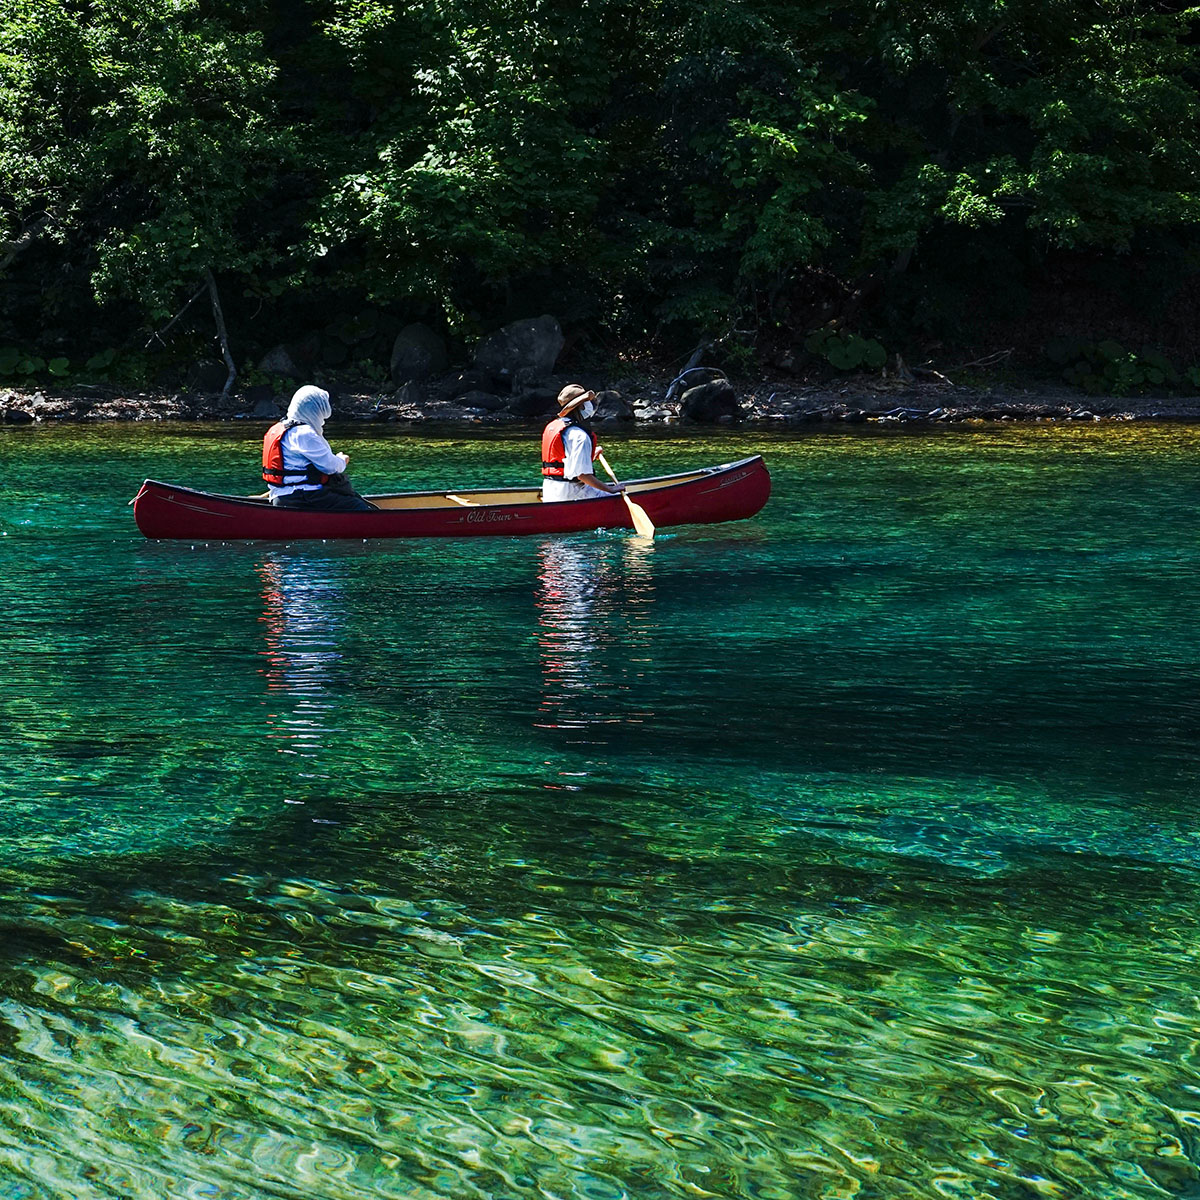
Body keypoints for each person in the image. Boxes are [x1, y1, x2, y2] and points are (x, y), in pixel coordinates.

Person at [262, 385, 374, 511]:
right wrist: (342, 460)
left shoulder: (280, 428)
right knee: (360, 507)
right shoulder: (304, 433)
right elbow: (330, 467)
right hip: (305, 497)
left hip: (280, 497)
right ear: (314, 409)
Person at [541, 384, 624, 502]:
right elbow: (582, 475)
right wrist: (611, 489)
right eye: (587, 402)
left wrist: (590, 454)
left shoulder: (554, 426)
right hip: (573, 493)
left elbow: (566, 459)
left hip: (551, 491)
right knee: (617, 496)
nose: (590, 405)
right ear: (581, 406)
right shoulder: (580, 436)